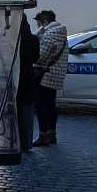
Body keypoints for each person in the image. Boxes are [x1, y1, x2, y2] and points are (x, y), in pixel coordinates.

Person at [32, 10, 68, 147]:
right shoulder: (61, 33)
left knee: (41, 106)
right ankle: (52, 135)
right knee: (51, 106)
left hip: (45, 74)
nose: (37, 26)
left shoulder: (50, 34)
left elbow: (40, 57)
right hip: (56, 74)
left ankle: (43, 135)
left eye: (38, 23)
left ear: (45, 22)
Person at [16, 16, 40, 154]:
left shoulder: (12, 39)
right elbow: (36, 58)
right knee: (26, 113)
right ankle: (26, 143)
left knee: (13, 112)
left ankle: (14, 141)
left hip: (13, 77)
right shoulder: (33, 39)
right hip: (28, 78)